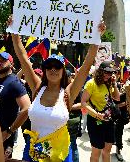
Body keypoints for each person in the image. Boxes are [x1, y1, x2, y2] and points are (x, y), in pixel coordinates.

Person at [8, 15, 106, 161]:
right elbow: (23, 58)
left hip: (60, 154)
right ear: (45, 69)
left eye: (57, 66)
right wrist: (14, 31)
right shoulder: (37, 87)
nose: (53, 69)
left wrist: (96, 38)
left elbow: (86, 67)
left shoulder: (68, 93)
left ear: (63, 70)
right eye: (49, 66)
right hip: (33, 151)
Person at [81, 61, 120, 162]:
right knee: (96, 152)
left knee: (107, 150)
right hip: (95, 121)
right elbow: (83, 102)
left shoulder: (108, 83)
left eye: (111, 73)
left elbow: (117, 98)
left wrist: (114, 84)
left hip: (109, 121)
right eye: (106, 72)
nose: (109, 75)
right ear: (100, 71)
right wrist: (96, 114)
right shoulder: (91, 83)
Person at [0, 52, 31, 160]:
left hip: (3, 135)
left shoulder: (14, 83)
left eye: (3, 60)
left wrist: (10, 131)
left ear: (11, 63)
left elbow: (26, 108)